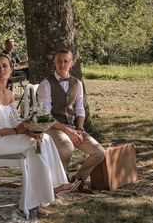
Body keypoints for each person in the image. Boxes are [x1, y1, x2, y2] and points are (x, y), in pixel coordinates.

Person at [0, 53, 71, 218]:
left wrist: (32, 131)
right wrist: (21, 131)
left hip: (5, 137)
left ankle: (38, 198)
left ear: (12, 69)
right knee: (36, 144)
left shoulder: (8, 93)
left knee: (42, 139)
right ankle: (50, 189)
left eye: (4, 66)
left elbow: (15, 121)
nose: (1, 70)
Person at [36, 48, 106, 194]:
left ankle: (78, 180)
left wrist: (79, 129)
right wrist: (68, 131)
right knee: (67, 147)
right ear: (54, 62)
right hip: (52, 126)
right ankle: (59, 183)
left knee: (99, 152)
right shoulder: (46, 84)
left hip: (73, 127)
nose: (62, 64)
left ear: (72, 63)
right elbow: (45, 116)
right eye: (59, 61)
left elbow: (80, 110)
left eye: (66, 61)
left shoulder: (77, 83)